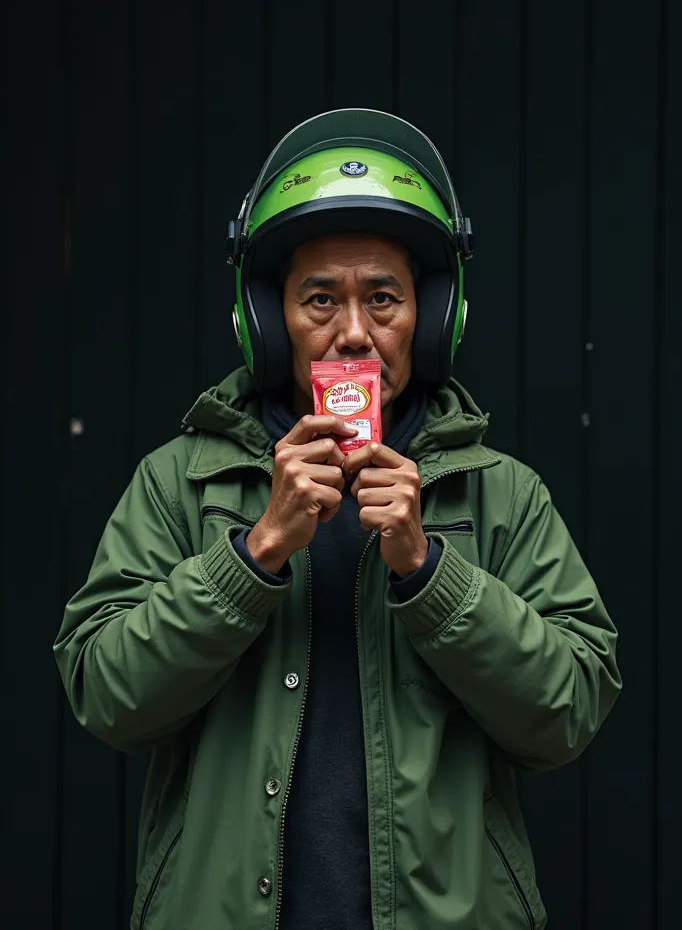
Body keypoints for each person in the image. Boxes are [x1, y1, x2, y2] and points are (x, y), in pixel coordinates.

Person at [54, 109, 621, 930]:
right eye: (320, 298)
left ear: (429, 320)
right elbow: (107, 695)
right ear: (266, 320)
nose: (353, 331)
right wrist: (253, 555)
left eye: (383, 298)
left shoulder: (504, 494)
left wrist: (431, 572)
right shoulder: (179, 482)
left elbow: (568, 711)